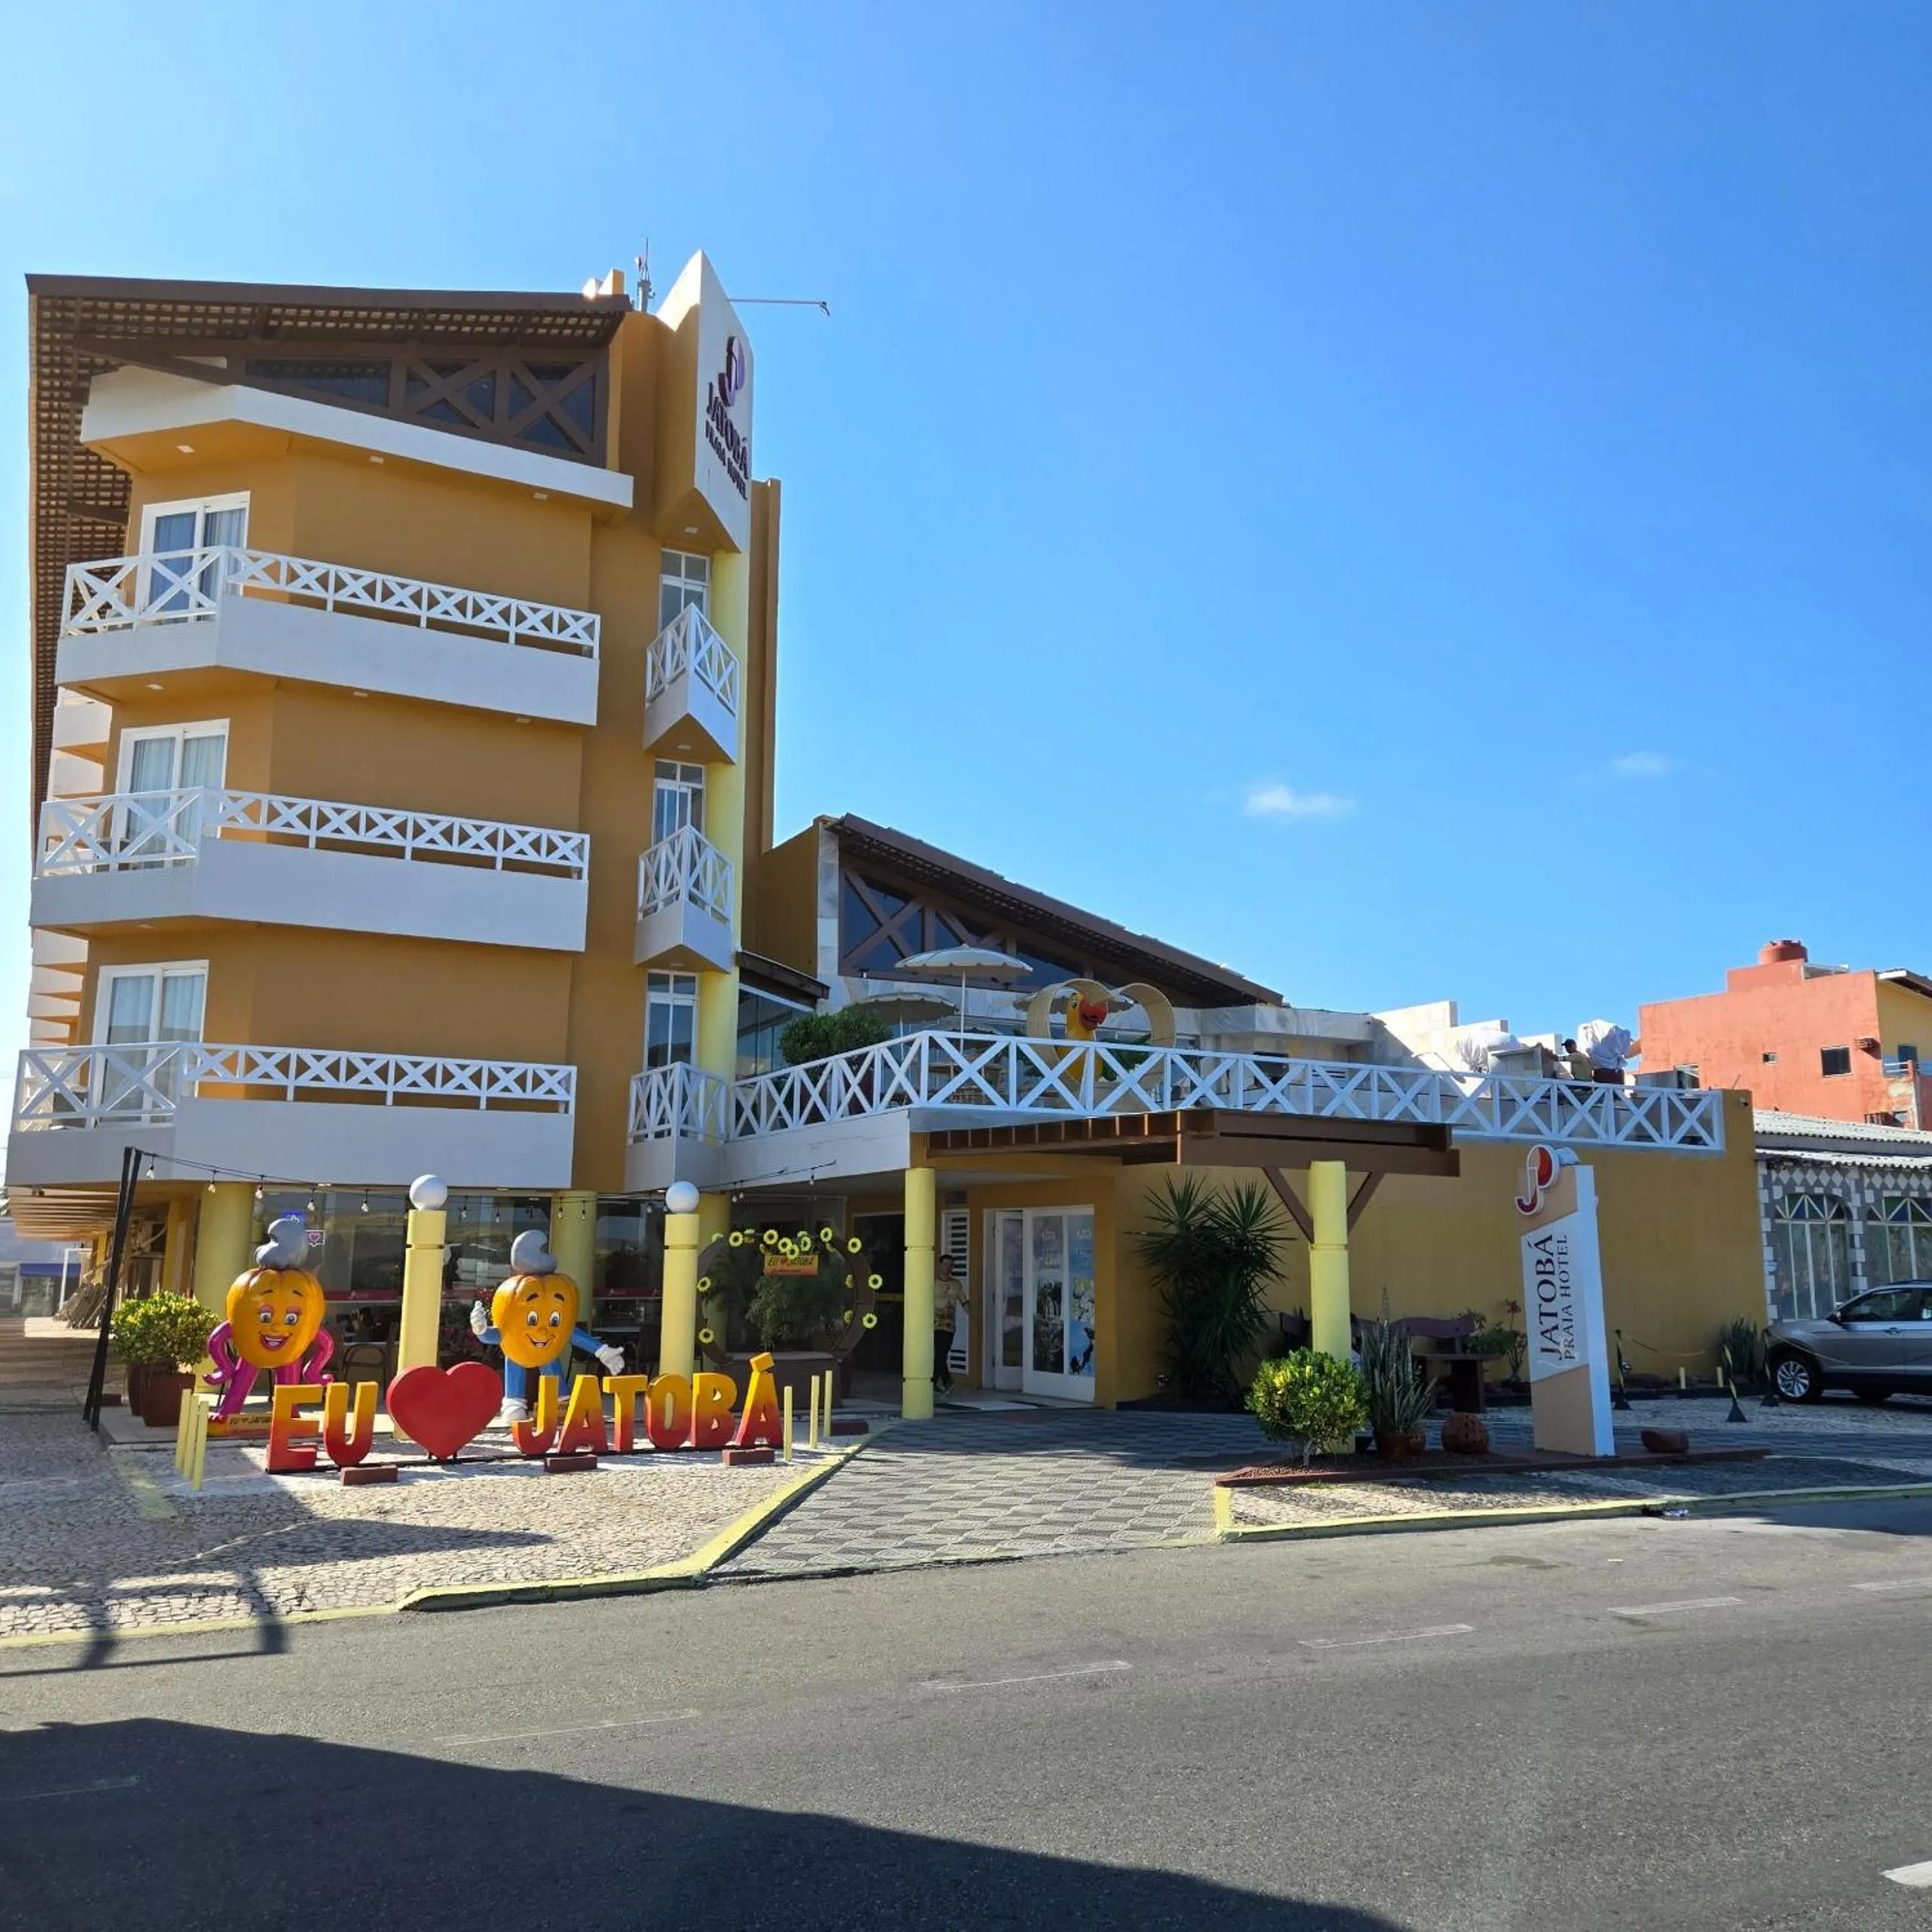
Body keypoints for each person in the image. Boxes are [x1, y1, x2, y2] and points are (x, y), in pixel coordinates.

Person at [933, 1254, 965, 1395]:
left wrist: (973, 1313)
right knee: (939, 1354)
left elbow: (964, 1300)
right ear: (940, 1265)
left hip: (949, 1325)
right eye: (945, 1264)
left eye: (950, 1265)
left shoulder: (956, 1284)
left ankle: (941, 1381)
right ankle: (940, 1381)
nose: (947, 1267)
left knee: (942, 1353)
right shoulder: (933, 1283)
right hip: (934, 1323)